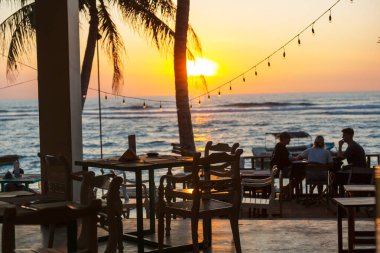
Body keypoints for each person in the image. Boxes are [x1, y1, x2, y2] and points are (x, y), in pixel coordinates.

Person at [334, 127, 366, 196]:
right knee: (339, 173)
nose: (342, 137)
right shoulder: (353, 145)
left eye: (344, 135)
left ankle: (339, 197)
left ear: (349, 135)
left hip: (357, 173)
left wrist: (339, 146)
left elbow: (341, 157)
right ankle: (342, 196)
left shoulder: (352, 146)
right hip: (360, 171)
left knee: (336, 176)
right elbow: (345, 154)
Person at [270, 132, 296, 198]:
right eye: (289, 139)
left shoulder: (279, 146)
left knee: (297, 174)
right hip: (281, 170)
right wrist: (291, 160)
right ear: (284, 139)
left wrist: (290, 160)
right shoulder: (281, 148)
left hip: (278, 169)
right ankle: (286, 190)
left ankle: (286, 190)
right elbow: (284, 161)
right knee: (299, 175)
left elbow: (283, 159)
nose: (290, 140)